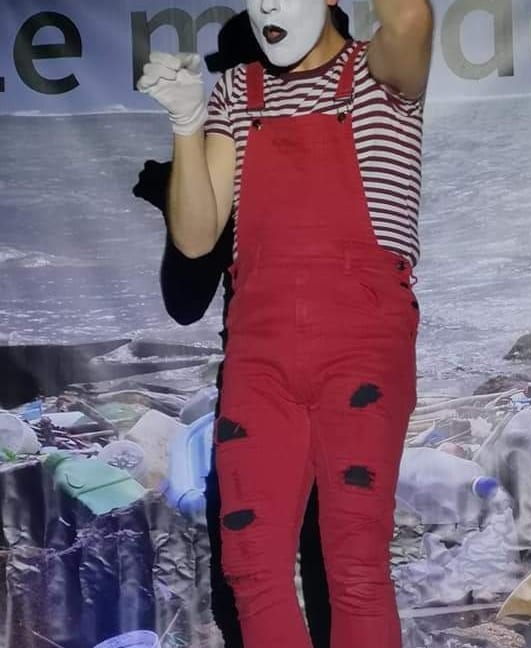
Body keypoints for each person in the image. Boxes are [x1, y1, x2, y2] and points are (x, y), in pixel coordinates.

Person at [137, 1, 433, 646]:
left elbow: (410, 19)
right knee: (251, 567)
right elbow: (197, 238)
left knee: (355, 565)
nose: (269, 4)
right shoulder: (237, 90)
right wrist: (186, 122)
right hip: (259, 348)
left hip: (361, 343)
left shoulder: (379, 73)